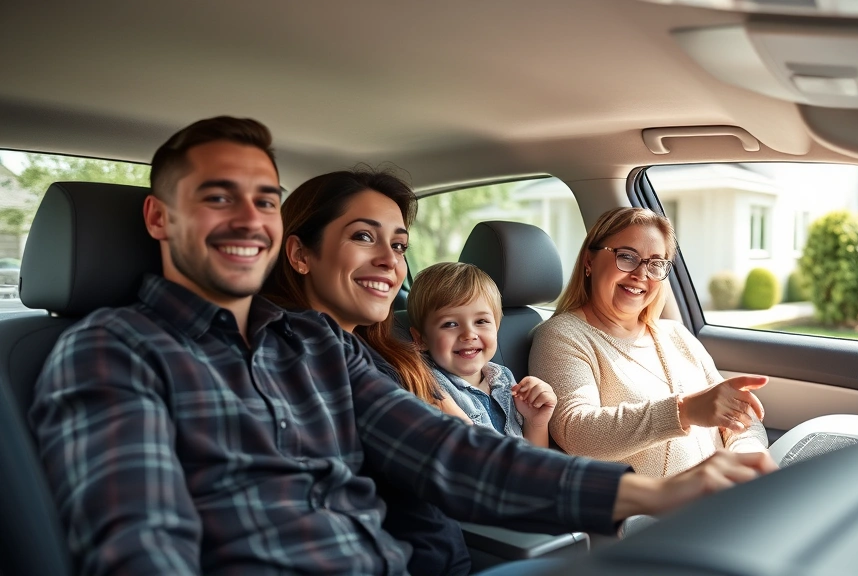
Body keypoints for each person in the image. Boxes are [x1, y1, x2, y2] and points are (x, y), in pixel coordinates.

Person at [30, 117, 775, 576]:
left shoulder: (316, 347)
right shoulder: (114, 349)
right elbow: (140, 542)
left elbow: (451, 454)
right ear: (159, 219)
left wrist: (650, 494)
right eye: (218, 196)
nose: (250, 217)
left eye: (264, 198)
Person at [261, 168, 475, 576]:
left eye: (399, 245)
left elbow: (466, 450)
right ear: (300, 254)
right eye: (363, 236)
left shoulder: (388, 354)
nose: (390, 261)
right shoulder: (286, 352)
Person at [530, 207, 773, 478]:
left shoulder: (676, 335)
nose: (641, 274)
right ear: (589, 261)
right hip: (644, 515)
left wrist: (748, 454)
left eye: (656, 263)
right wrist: (685, 411)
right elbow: (577, 433)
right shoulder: (562, 336)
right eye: (627, 256)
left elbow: (739, 418)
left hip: (720, 499)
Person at [407, 262, 557, 447]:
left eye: (481, 321)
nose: (469, 334)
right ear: (421, 339)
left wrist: (536, 422)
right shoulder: (429, 388)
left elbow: (533, 463)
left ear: (496, 328)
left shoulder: (503, 378)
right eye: (450, 324)